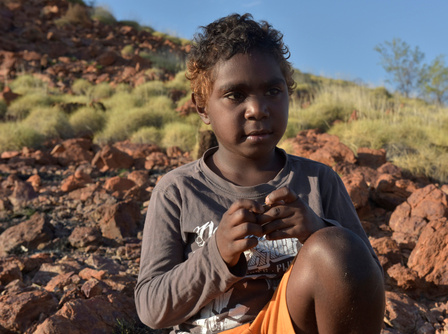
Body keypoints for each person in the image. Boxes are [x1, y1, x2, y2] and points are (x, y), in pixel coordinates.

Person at [134, 13, 385, 334]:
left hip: (290, 325)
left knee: (336, 246)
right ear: (202, 106)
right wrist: (218, 253)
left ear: (288, 93)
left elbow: (369, 283)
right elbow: (151, 308)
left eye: (272, 91)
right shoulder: (178, 190)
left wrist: (317, 230)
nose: (257, 108)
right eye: (235, 95)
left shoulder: (318, 181)